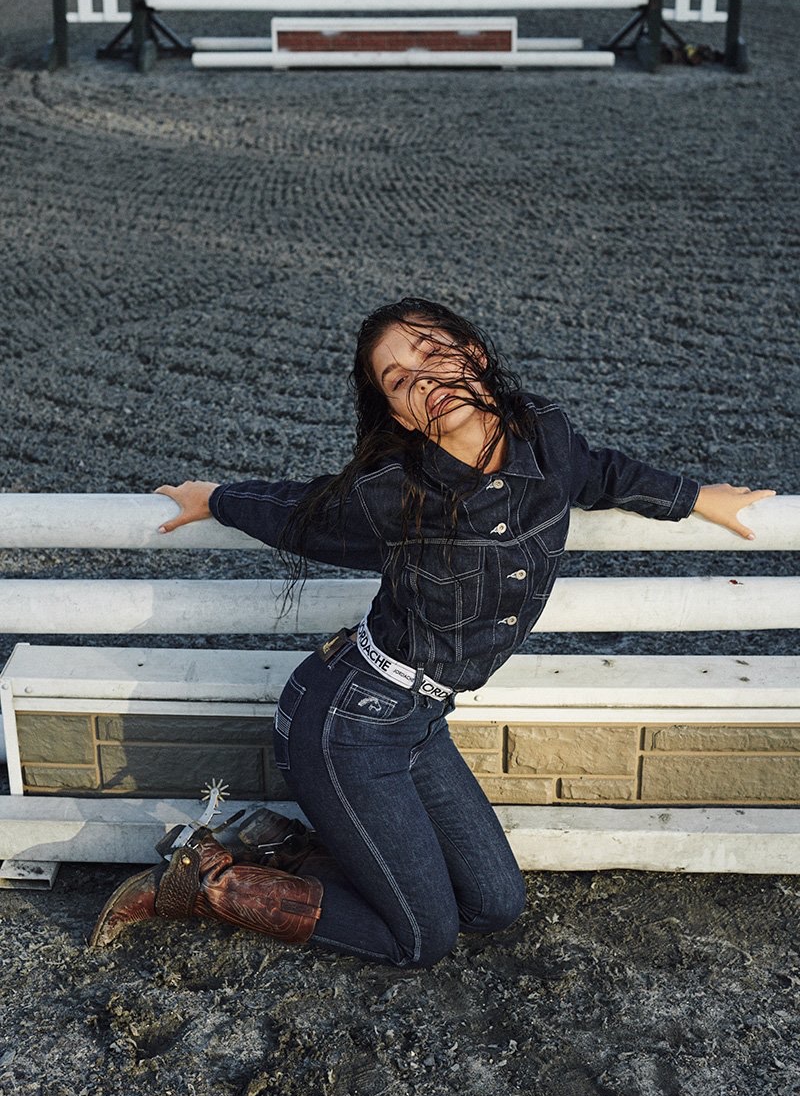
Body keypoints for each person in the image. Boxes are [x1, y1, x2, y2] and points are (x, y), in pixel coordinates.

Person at [90, 297, 775, 966]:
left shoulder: (545, 434)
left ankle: (281, 850)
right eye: (398, 381)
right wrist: (215, 497)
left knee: (496, 908)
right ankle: (200, 884)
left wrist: (697, 498)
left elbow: (601, 471)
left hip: (420, 721)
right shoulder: (395, 489)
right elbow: (301, 510)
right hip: (346, 724)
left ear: (472, 353)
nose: (422, 380)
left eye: (429, 352)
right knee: (422, 941)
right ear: (399, 415)